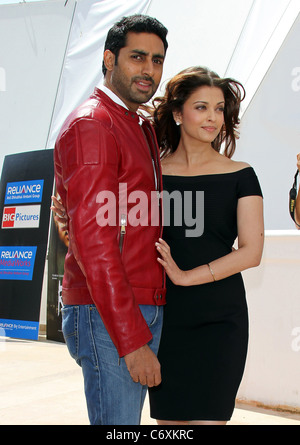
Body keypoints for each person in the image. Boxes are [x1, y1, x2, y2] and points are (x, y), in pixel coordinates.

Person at [53, 14, 168, 425]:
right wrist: (132, 339)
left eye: (157, 60)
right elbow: (93, 242)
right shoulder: (94, 125)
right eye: (137, 57)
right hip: (109, 314)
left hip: (138, 304)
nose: (148, 70)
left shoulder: (137, 124)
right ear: (108, 59)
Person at [148, 66, 264, 425]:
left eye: (219, 108)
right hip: (164, 320)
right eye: (201, 107)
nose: (213, 117)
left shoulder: (241, 174)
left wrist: (185, 277)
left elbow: (251, 251)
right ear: (178, 113)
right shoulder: (151, 173)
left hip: (220, 320)